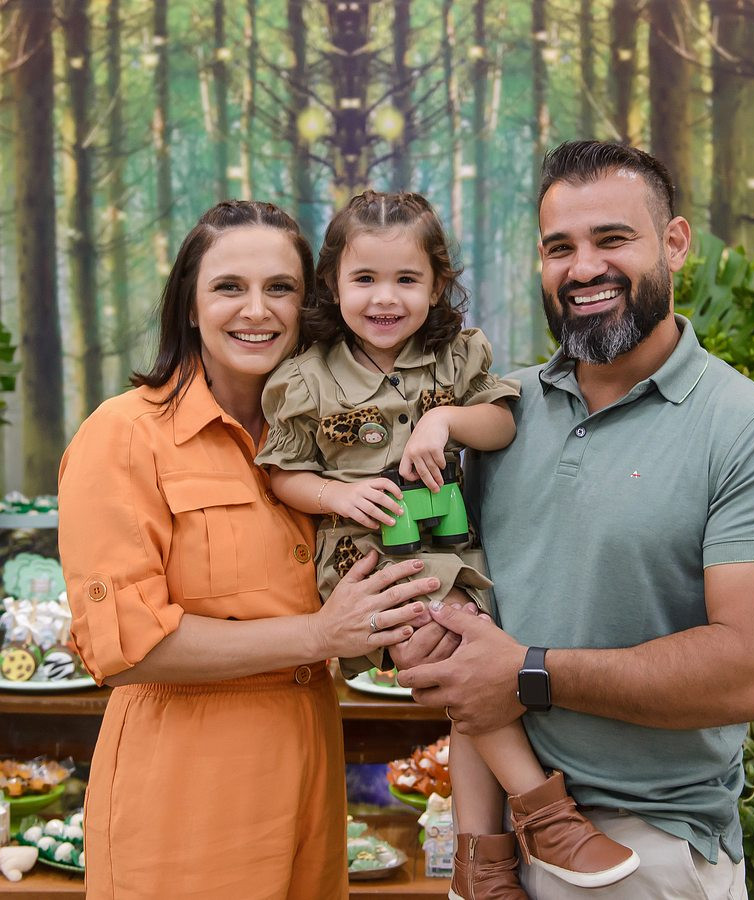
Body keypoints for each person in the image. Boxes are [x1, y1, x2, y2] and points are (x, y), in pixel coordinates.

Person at [394, 141, 754, 898]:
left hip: (646, 849)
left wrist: (528, 674)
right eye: (559, 247)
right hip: (493, 843)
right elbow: (445, 581)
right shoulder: (497, 414)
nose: (584, 268)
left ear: (675, 243)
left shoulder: (753, 432)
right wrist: (419, 629)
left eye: (612, 239)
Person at [259, 189, 638, 898]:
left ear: (436, 287)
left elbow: (501, 424)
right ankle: (545, 817)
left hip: (450, 551)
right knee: (463, 669)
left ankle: (479, 863)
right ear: (333, 284)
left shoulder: (455, 356)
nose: (385, 298)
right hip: (367, 564)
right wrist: (337, 496)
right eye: (364, 279)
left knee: (472, 680)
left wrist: (446, 423)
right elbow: (283, 473)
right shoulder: (306, 377)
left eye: (407, 279)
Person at [58, 200, 436, 900]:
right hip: (186, 788)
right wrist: (319, 635)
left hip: (309, 766)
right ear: (189, 305)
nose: (256, 311)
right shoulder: (125, 435)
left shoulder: (334, 438)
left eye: (280, 288)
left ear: (309, 305)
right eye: (229, 287)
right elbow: (124, 649)